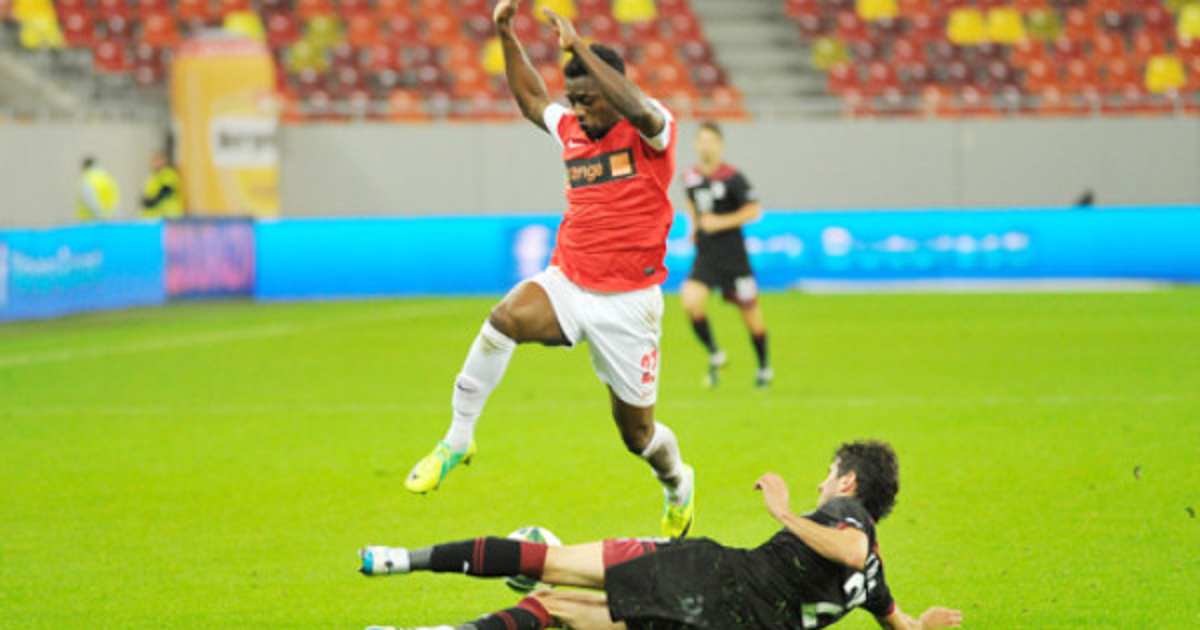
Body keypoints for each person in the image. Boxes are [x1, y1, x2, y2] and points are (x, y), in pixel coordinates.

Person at [403, 0, 695, 538]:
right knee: (504, 319)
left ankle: (678, 483)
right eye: (573, 100)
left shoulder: (652, 129)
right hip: (570, 281)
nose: (577, 110)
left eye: (587, 99)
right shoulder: (571, 130)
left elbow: (640, 109)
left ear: (611, 91)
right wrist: (506, 34)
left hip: (629, 304)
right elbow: (533, 100)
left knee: (638, 437)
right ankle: (458, 439)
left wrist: (578, 44)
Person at [358, 440, 962, 630]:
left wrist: (783, 511)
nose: (820, 482)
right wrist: (925, 625)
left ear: (849, 482)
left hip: (706, 576)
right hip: (716, 623)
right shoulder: (875, 582)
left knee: (549, 563)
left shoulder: (847, 520)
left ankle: (401, 559)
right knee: (557, 608)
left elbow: (850, 548)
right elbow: (899, 622)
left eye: (828, 475)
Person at [680, 122, 772, 389]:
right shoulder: (690, 176)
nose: (706, 146)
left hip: (734, 257)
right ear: (696, 145)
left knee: (751, 316)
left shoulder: (733, 177)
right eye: (701, 140)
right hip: (706, 256)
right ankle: (716, 354)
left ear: (720, 145)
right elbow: (691, 202)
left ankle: (764, 368)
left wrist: (719, 222)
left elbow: (753, 210)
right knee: (690, 301)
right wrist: (693, 226)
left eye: (711, 141)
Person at [140, 152, 184, 219]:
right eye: (154, 161)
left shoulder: (168, 173)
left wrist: (154, 200)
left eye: (159, 160)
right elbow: (148, 193)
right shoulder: (153, 176)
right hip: (153, 215)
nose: (156, 163)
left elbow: (167, 190)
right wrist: (145, 201)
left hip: (168, 214)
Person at [77, 156, 120, 222]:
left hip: (90, 222)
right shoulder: (108, 179)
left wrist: (100, 215)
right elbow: (115, 200)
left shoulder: (87, 180)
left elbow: (89, 200)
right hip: (111, 221)